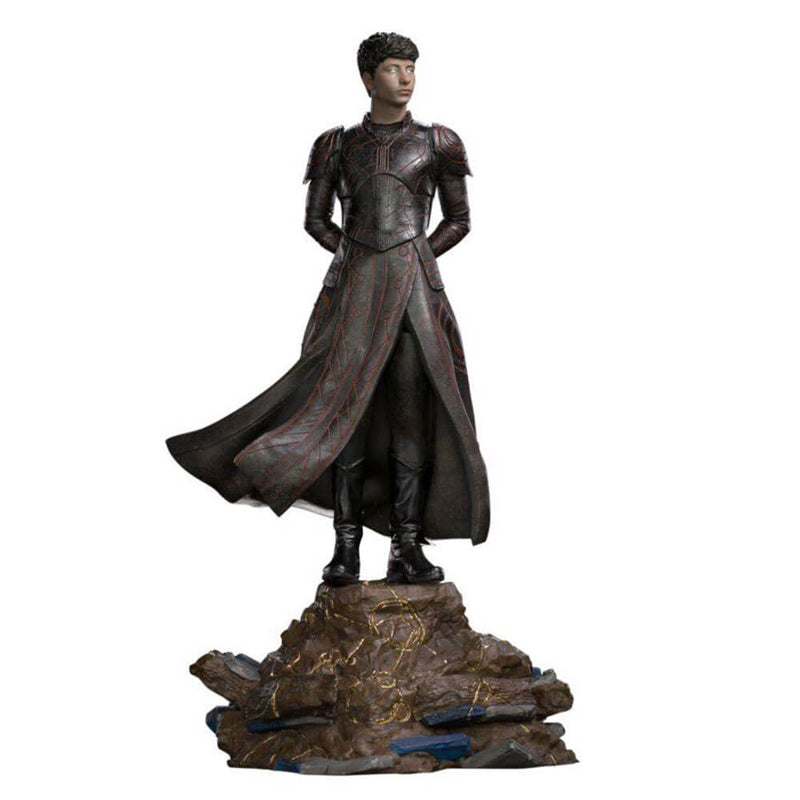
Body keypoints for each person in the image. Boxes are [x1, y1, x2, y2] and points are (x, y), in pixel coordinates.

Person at [166, 32, 490, 585]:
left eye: (411, 67)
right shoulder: (336, 145)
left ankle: (406, 547)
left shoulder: (439, 142)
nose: (405, 78)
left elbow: (459, 220)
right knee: (343, 416)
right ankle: (346, 548)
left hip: (415, 302)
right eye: (393, 68)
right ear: (367, 78)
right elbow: (316, 221)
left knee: (411, 420)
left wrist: (412, 259)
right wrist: (360, 259)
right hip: (351, 300)